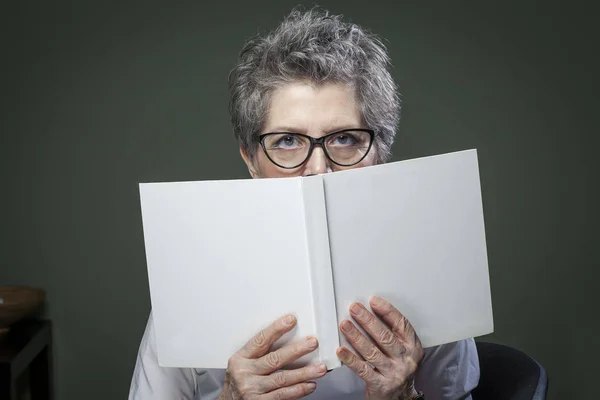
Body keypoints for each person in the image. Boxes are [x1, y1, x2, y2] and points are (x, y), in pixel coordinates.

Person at [129, 7, 480, 400]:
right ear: (251, 161)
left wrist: (403, 397)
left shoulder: (434, 282)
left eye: (345, 139)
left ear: (380, 153)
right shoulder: (188, 292)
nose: (318, 170)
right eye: (287, 141)